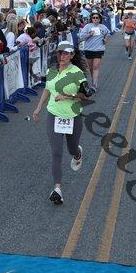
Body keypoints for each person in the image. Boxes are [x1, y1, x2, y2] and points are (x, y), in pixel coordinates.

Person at [32, 41, 93, 205]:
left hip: (73, 116)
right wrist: (38, 108)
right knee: (57, 152)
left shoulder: (77, 73)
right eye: (60, 53)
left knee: (71, 148)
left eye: (66, 53)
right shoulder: (51, 71)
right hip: (54, 115)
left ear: (72, 55)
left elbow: (86, 95)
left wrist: (68, 96)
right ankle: (57, 189)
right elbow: (47, 89)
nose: (62, 56)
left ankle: (77, 153)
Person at [79, 12, 110, 89]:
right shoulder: (87, 26)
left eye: (97, 18)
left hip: (99, 49)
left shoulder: (103, 27)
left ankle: (94, 84)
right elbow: (81, 37)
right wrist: (89, 35)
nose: (95, 19)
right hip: (88, 49)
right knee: (90, 68)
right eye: (94, 18)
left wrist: (105, 40)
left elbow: (108, 33)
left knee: (95, 67)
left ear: (99, 19)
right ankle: (93, 80)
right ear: (91, 19)